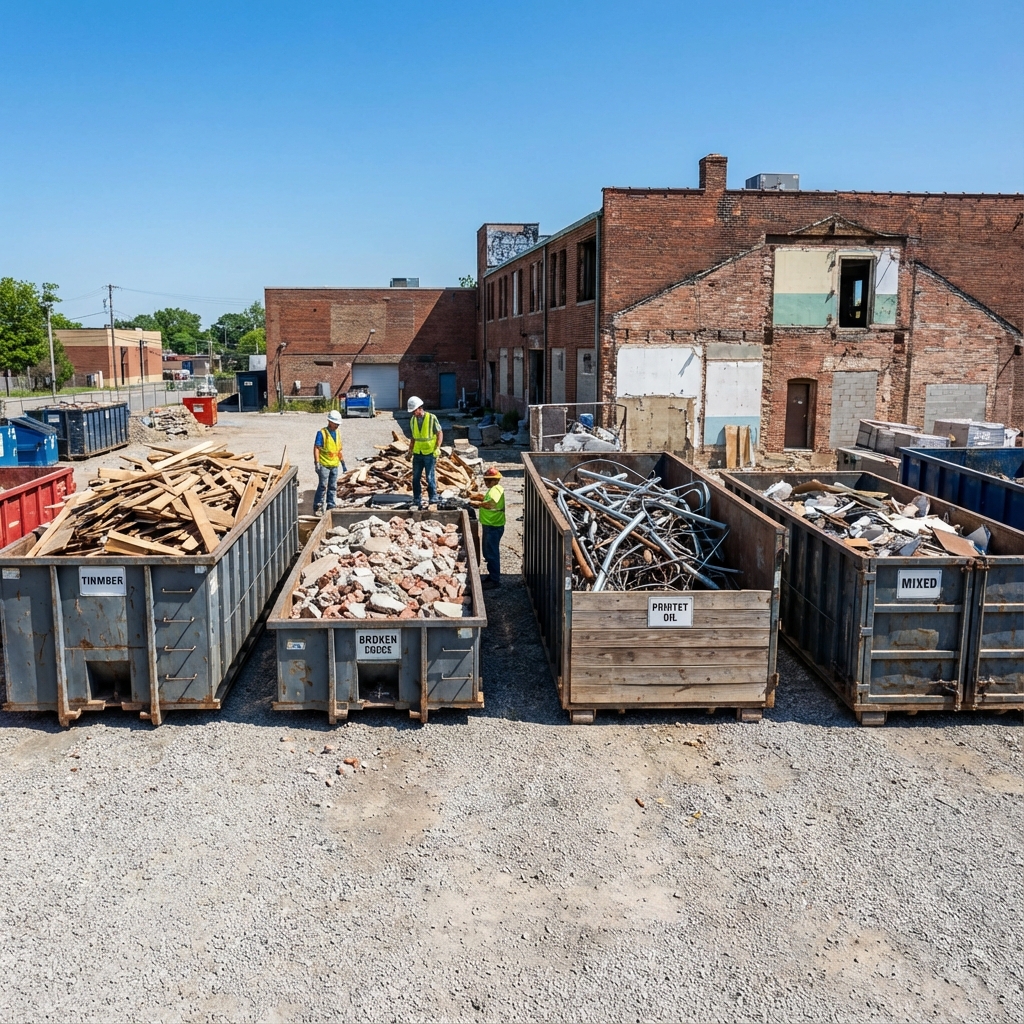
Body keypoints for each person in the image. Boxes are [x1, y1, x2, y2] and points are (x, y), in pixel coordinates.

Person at [406, 396, 443, 508]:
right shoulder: (413, 420)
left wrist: (438, 447)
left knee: (430, 476)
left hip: (429, 453)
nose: (413, 413)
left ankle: (433, 497)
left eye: (414, 410)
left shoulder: (431, 418)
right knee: (416, 477)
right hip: (418, 453)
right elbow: (413, 437)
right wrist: (410, 451)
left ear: (419, 408)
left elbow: (439, 433)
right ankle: (417, 498)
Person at [313, 409, 347, 515]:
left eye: (338, 423)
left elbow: (338, 450)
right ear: (330, 421)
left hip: (334, 464)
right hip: (324, 464)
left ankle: (331, 504)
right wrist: (317, 463)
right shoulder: (322, 433)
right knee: (323, 486)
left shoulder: (337, 433)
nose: (337, 425)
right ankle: (318, 506)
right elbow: (316, 448)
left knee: (333, 486)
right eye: (336, 423)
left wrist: (343, 463)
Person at [479, 465, 505, 588]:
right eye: (485, 480)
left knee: (491, 553)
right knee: (488, 552)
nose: (486, 483)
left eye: (488, 480)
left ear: (495, 480)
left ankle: (494, 580)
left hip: (493, 525)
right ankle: (492, 576)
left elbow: (491, 503)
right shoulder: (494, 489)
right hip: (490, 525)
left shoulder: (495, 490)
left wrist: (478, 503)